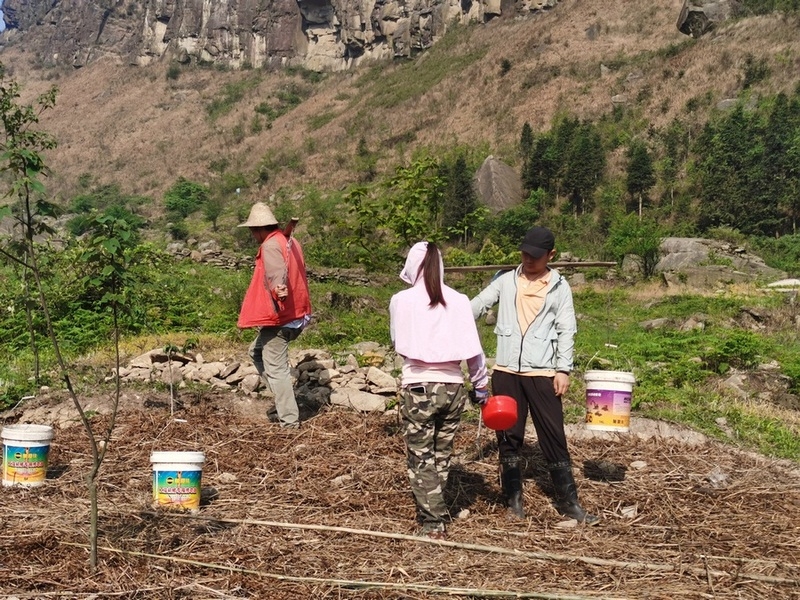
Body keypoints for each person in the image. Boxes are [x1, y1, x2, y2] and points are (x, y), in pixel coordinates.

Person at [470, 226, 600, 525]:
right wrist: (443, 307)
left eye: (536, 256)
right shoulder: (505, 281)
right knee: (508, 435)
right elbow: (475, 306)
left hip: (543, 372)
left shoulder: (559, 286)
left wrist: (563, 369)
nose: (529, 259)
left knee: (553, 435)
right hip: (506, 371)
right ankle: (513, 503)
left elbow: (566, 329)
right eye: (525, 254)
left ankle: (569, 504)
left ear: (550, 255)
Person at [390, 241, 489, 540]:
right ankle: (436, 506)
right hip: (453, 386)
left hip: (419, 385)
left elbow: (398, 342)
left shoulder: (401, 300)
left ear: (412, 266)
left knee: (420, 456)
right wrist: (480, 386)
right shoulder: (459, 300)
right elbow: (474, 351)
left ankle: (433, 522)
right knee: (442, 453)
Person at [237, 202, 312, 429]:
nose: (252, 235)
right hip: (297, 313)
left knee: (276, 369)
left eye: (252, 231)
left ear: (258, 229)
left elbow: (276, 273)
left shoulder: (270, 245)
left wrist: (279, 288)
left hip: (281, 317)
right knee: (255, 352)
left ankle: (289, 421)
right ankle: (283, 399)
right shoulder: (290, 241)